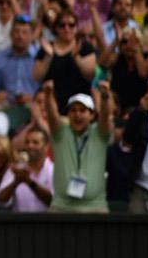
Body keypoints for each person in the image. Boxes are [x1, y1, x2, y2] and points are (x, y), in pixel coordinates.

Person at [39, 81, 112, 213]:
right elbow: (52, 115)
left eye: (82, 110)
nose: (77, 115)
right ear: (68, 115)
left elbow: (105, 117)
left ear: (92, 115)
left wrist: (105, 97)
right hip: (61, 208)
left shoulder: (99, 134)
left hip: (95, 208)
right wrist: (48, 95)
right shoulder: (60, 133)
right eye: (73, 110)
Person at [119, 76, 148, 214]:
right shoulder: (141, 117)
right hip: (141, 185)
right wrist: (140, 111)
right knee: (136, 224)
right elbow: (129, 138)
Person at [0, 126, 54, 212]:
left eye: (35, 142)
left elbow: (54, 201)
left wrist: (29, 182)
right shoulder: (16, 169)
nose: (30, 146)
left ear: (46, 146)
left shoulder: (54, 171)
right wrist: (15, 182)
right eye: (27, 142)